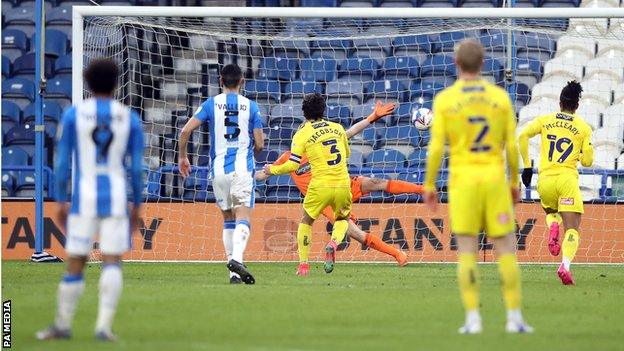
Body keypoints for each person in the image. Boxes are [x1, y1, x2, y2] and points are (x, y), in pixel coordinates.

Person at [423, 39, 532, 334]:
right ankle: (514, 317)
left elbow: (435, 148)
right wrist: (513, 182)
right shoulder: (499, 97)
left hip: (462, 182)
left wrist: (429, 184)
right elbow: (510, 146)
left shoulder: (445, 99)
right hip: (494, 180)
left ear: (456, 64)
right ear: (484, 63)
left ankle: (473, 319)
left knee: (467, 251)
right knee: (506, 249)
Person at [36, 58, 144, 342]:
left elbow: (61, 163)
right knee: (112, 260)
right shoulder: (128, 117)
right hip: (117, 198)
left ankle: (62, 325)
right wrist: (138, 204)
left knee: (75, 261)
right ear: (117, 83)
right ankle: (104, 328)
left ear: (87, 83)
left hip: (83, 197)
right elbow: (135, 168)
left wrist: (60, 199)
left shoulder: (74, 115)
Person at [257, 101, 422, 275]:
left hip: (332, 185)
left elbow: (350, 132)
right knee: (357, 233)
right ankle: (397, 254)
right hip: (331, 193)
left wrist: (373, 117)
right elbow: (263, 175)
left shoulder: (316, 142)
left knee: (376, 183)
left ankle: (422, 190)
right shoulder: (287, 156)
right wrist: (248, 176)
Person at [178, 64, 264, 285]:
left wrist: (182, 157)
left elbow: (185, 130)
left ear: (220, 81)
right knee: (243, 215)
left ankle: (233, 273)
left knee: (227, 218)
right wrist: (251, 155)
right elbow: (260, 144)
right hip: (242, 169)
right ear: (242, 81)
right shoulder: (251, 106)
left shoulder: (210, 104)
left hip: (217, 171)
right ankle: (237, 259)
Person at [264, 92, 351, 274]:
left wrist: (271, 169)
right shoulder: (338, 128)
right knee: (342, 219)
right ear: (323, 110)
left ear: (304, 113)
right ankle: (333, 244)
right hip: (343, 183)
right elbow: (347, 154)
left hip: (319, 184)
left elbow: (293, 164)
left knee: (306, 221)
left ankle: (303, 265)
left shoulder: (302, 134)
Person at [518, 80, 593, 285]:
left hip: (545, 180)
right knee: (572, 229)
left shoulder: (545, 120)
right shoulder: (583, 128)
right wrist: (585, 147)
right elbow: (587, 162)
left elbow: (523, 135)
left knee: (552, 213)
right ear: (576, 106)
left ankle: (552, 226)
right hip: (567, 180)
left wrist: (526, 167)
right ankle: (565, 266)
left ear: (560, 102)